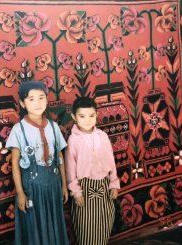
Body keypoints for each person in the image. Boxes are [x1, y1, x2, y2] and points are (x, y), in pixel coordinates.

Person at [5, 80, 69, 245]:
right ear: (22, 103)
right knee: (35, 225)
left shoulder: (54, 127)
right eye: (31, 99)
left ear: (47, 100)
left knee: (54, 222)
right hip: (32, 187)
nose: (37, 103)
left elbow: (60, 158)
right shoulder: (19, 130)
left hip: (53, 184)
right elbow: (15, 165)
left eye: (41, 98)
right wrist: (20, 192)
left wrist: (63, 185)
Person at [65, 97, 120, 245]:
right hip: (85, 189)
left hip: (104, 186)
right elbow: (70, 169)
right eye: (82, 116)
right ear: (74, 117)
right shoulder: (73, 140)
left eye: (91, 115)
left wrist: (114, 183)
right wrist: (76, 192)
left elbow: (110, 161)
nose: (87, 120)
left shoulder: (102, 136)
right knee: (87, 229)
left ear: (96, 115)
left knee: (104, 224)